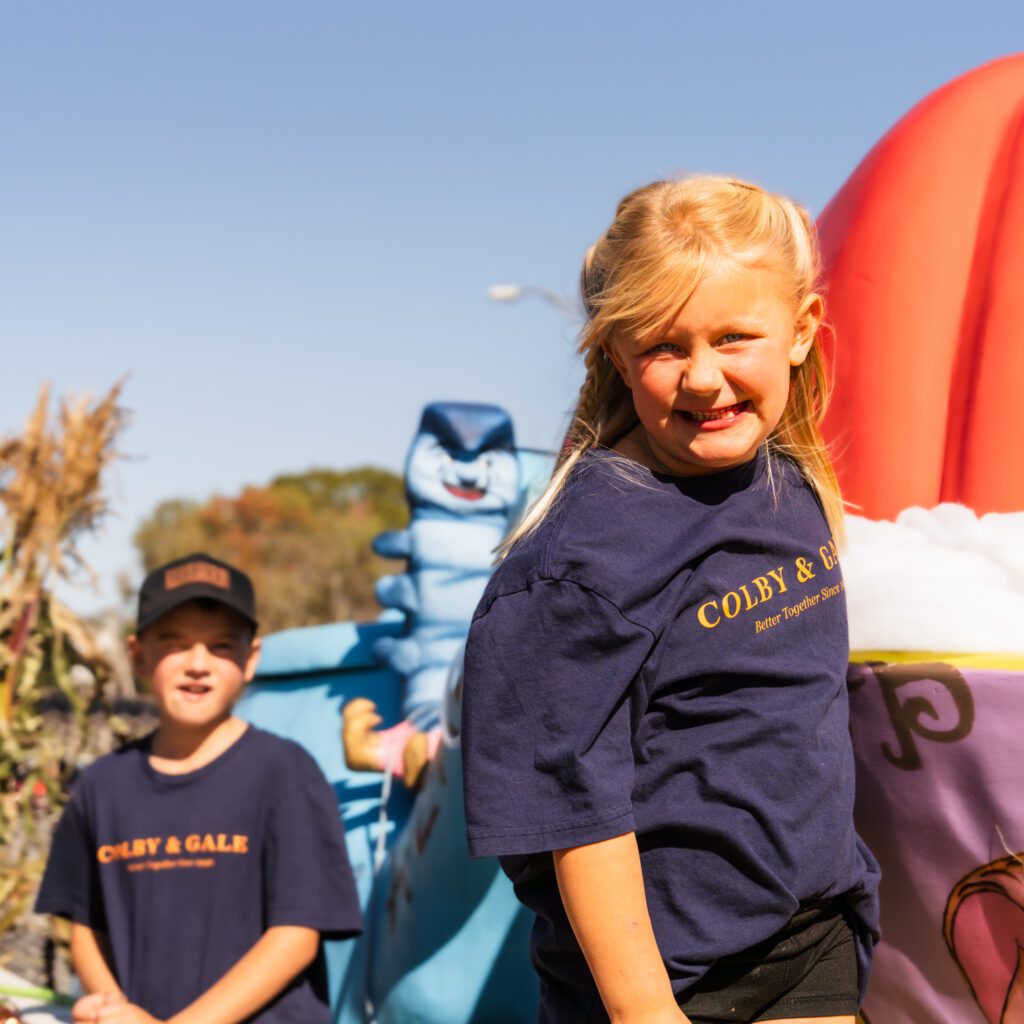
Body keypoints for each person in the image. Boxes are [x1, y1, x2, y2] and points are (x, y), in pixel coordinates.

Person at [461, 177, 880, 1024]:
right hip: (663, 980)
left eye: (734, 337)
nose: (704, 378)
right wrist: (644, 1010)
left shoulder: (789, 485)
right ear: (617, 357)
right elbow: (572, 810)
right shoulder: (578, 564)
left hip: (809, 939)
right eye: (662, 346)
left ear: (801, 331)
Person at [36, 553, 362, 1024]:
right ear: (138, 655)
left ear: (251, 659)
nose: (197, 664)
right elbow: (85, 922)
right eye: (175, 643)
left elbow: (295, 938)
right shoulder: (100, 786)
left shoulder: (287, 774)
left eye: (221, 646)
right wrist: (113, 1008)